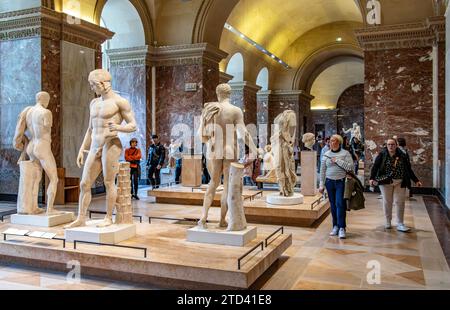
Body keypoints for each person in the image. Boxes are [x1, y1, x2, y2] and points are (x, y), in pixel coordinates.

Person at [65, 69, 138, 228]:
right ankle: (81, 218)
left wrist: (118, 127)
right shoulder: (94, 103)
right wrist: (82, 148)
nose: (92, 88)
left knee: (109, 182)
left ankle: (108, 217)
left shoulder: (120, 102)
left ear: (103, 84)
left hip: (111, 144)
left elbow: (133, 125)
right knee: (84, 183)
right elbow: (90, 129)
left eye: (93, 85)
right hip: (94, 146)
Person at [13, 91, 59, 215]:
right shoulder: (46, 112)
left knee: (36, 178)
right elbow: (47, 128)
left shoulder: (28, 111)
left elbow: (22, 129)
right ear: (45, 99)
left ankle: (32, 207)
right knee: (54, 178)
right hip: (42, 145)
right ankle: (50, 209)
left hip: (31, 146)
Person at [369, 138, 422, 232]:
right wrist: (371, 178)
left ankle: (400, 223)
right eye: (389, 144)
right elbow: (375, 167)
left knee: (400, 202)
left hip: (400, 181)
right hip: (385, 182)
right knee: (387, 202)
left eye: (392, 144)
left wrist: (416, 180)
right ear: (386, 145)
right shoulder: (382, 154)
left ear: (396, 145)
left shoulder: (403, 155)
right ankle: (388, 221)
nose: (390, 146)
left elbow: (408, 169)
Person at [319, 134, 354, 239]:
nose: (331, 142)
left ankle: (342, 227)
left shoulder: (345, 153)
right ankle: (335, 226)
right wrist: (321, 184)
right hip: (329, 182)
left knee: (340, 204)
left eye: (333, 141)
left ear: (339, 142)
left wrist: (337, 160)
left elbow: (350, 167)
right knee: (333, 205)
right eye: (330, 141)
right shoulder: (326, 154)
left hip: (341, 182)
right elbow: (322, 170)